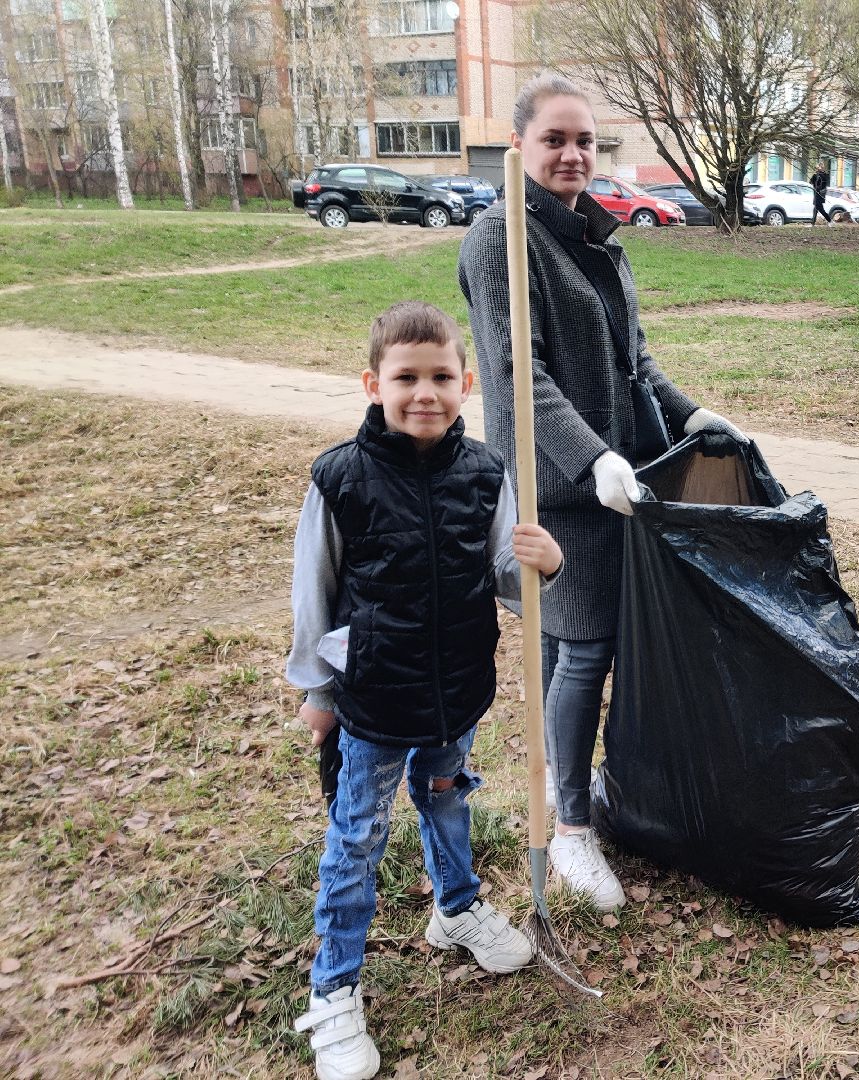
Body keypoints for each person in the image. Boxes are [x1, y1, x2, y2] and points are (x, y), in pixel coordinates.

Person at [458, 73, 747, 913]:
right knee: (582, 649)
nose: (572, 154)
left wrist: (693, 416)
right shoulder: (499, 240)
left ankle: (563, 793)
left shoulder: (596, 236)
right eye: (554, 140)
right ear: (519, 147)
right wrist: (590, 463)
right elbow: (520, 377)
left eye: (583, 140)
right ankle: (572, 831)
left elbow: (637, 361)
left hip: (623, 479)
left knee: (571, 650)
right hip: (563, 488)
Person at [287, 301, 564, 1080]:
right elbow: (316, 590)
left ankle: (457, 906)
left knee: (445, 793)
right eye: (405, 378)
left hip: (457, 686)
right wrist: (316, 688)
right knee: (358, 838)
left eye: (441, 377)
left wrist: (545, 562)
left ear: (466, 382)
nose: (424, 394)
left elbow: (508, 580)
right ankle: (335, 988)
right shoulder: (340, 477)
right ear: (373, 383)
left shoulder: (485, 474)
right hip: (372, 696)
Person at [810, 163, 833, 227]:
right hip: (816, 194)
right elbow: (811, 182)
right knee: (816, 209)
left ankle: (830, 220)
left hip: (820, 195)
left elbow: (824, 183)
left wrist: (818, 174)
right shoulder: (816, 175)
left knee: (820, 209)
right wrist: (815, 175)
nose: (818, 169)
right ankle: (813, 223)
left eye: (819, 167)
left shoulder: (824, 175)